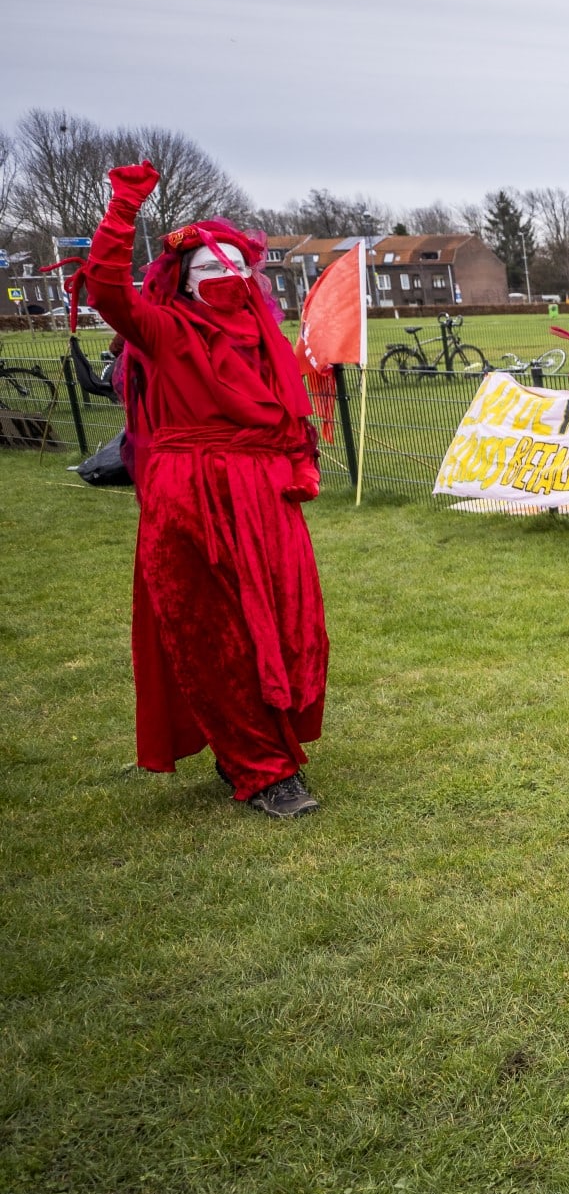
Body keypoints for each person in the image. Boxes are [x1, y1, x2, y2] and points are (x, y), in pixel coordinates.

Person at [80, 162, 329, 817]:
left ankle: (249, 746)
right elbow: (106, 288)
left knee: (282, 629)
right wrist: (125, 207)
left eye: (234, 271)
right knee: (218, 636)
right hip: (194, 502)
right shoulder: (165, 331)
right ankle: (261, 769)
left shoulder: (266, 340)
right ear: (184, 282)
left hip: (268, 502)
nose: (225, 281)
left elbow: (287, 417)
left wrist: (301, 461)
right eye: (207, 272)